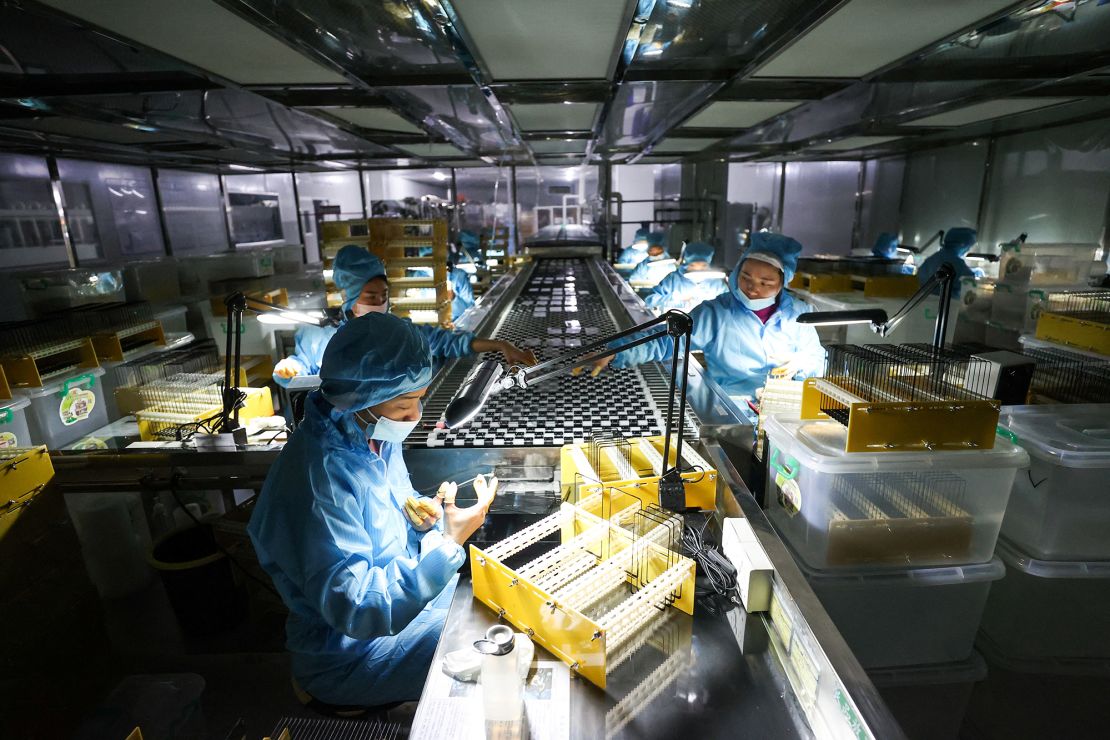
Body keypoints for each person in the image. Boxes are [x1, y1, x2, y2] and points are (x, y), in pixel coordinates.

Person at [249, 314, 498, 708]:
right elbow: (357, 607)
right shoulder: (320, 479)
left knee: (487, 615)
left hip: (393, 623)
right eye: (404, 404)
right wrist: (449, 542)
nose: (415, 417)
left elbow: (390, 507)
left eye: (419, 399)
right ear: (360, 399)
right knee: (493, 659)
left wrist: (422, 519)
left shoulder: (371, 434)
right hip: (346, 656)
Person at [587, 233, 824, 399]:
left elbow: (815, 359)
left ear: (783, 281)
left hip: (785, 409)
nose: (753, 288)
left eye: (766, 282)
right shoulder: (716, 313)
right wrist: (617, 351)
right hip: (734, 408)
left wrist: (802, 365)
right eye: (746, 278)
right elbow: (666, 339)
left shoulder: (799, 315)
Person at [273, 245, 535, 385]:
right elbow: (302, 366)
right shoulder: (321, 334)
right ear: (350, 296)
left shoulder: (399, 332)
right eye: (371, 297)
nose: (380, 302)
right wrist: (290, 367)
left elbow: (450, 342)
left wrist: (501, 345)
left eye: (384, 296)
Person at [644, 241, 728, 312]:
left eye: (703, 266)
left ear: (709, 264)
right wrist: (677, 301)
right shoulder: (673, 280)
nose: (698, 270)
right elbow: (650, 299)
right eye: (693, 265)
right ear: (686, 263)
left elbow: (728, 305)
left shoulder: (717, 283)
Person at [917, 227, 979, 298]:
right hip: (947, 304)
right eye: (968, 246)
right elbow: (969, 283)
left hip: (924, 301)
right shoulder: (956, 263)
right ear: (962, 245)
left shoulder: (933, 258)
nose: (968, 249)